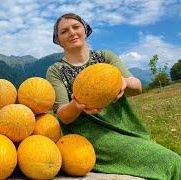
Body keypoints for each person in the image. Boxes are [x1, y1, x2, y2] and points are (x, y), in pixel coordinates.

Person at [46, 13, 181, 180]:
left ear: (85, 30)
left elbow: (137, 87)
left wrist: (123, 82)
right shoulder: (55, 71)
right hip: (87, 136)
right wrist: (77, 104)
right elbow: (63, 116)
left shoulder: (106, 57)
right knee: (171, 161)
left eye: (76, 27)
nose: (72, 33)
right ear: (58, 40)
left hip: (123, 127)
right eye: (64, 31)